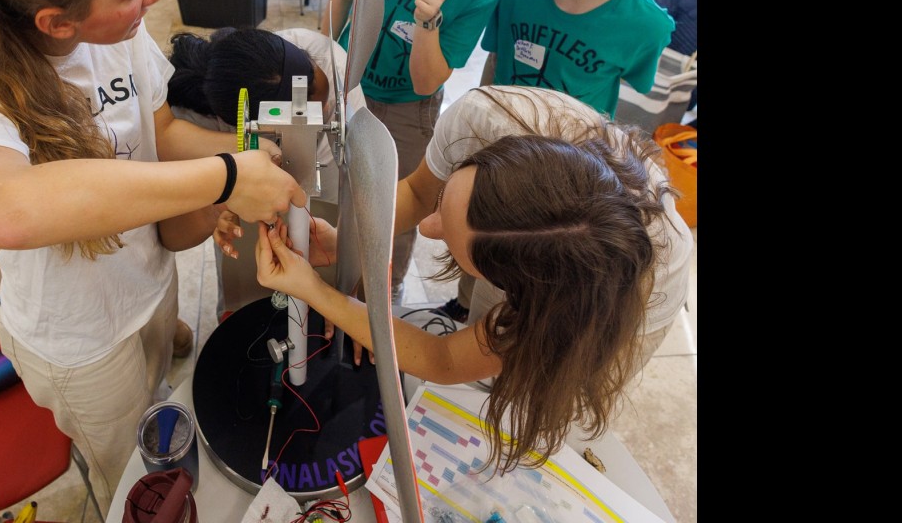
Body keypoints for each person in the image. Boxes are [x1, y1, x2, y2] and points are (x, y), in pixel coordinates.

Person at [0, 0, 306, 510]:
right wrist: (228, 176)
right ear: (57, 23)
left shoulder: (120, 33)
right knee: (136, 479)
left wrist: (252, 160)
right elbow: (9, 211)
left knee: (162, 389)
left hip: (147, 284)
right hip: (82, 340)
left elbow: (162, 132)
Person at [254, 84, 692, 477]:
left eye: (451, 238)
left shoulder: (579, 302)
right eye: (447, 199)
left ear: (519, 286)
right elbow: (418, 193)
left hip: (621, 294)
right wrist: (349, 243)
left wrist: (313, 290)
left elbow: (445, 359)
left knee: (540, 397)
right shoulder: (482, 119)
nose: (426, 229)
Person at [446, 0, 675, 324]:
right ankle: (464, 304)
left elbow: (632, 117)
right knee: (478, 240)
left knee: (530, 269)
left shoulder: (646, 25)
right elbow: (494, 65)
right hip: (498, 149)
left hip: (567, 170)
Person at [320, 0, 509, 299]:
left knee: (395, 203)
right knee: (333, 185)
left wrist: (428, 21)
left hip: (409, 108)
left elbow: (426, 83)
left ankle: (383, 289)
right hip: (348, 86)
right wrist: (323, 68)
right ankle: (328, 275)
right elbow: (338, 4)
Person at [167, 26, 364, 319]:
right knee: (246, 284)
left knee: (326, 252)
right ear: (246, 123)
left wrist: (349, 304)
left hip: (329, 188)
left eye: (322, 101)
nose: (324, 114)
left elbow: (360, 193)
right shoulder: (197, 120)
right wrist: (218, 205)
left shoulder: (328, 59)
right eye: (311, 111)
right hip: (249, 200)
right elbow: (175, 233)